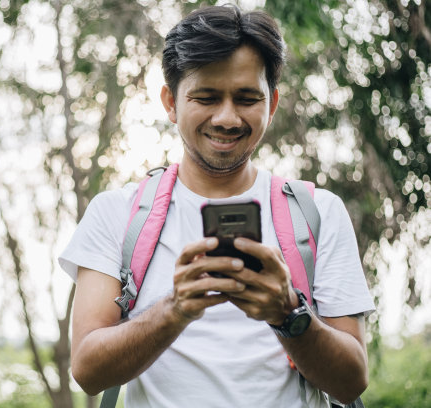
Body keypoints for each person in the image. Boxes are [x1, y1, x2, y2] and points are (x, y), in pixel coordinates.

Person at [59, 5, 374, 407]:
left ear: (272, 103)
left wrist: (289, 314)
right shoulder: (116, 214)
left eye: (246, 98)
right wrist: (174, 309)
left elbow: (351, 382)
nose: (227, 118)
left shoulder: (319, 212)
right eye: (206, 97)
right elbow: (87, 371)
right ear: (170, 102)